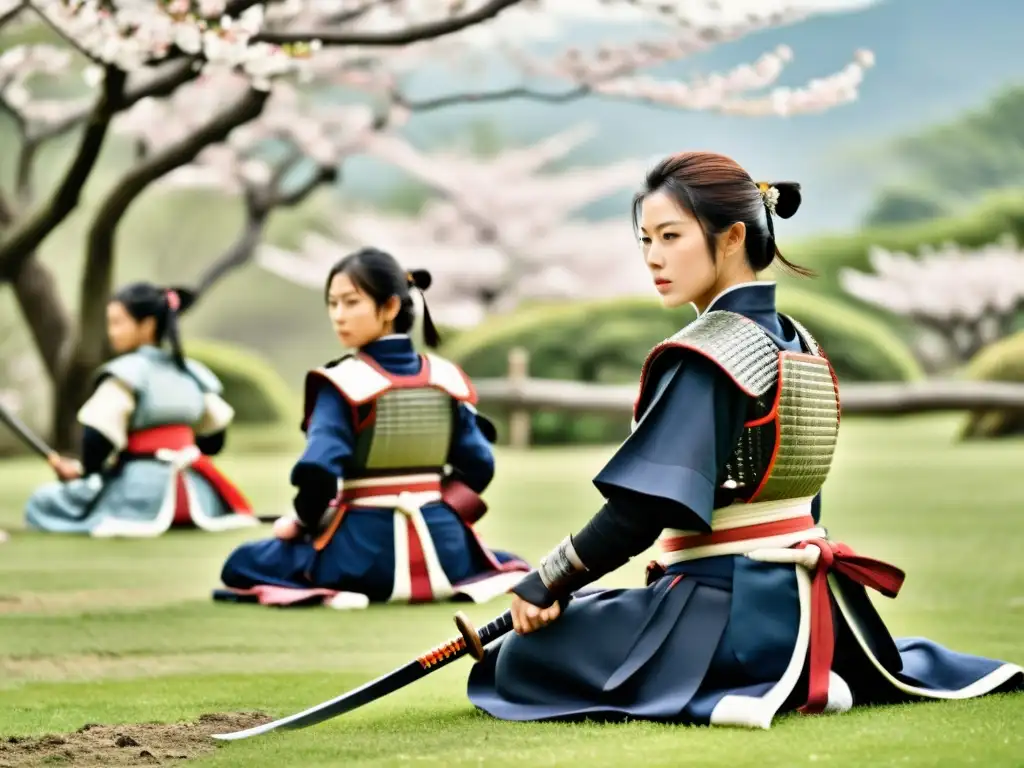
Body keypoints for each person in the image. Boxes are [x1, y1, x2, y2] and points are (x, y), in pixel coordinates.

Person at [466, 152, 1022, 727]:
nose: (653, 257)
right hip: (815, 602)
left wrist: (546, 581)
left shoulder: (708, 353)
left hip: (724, 610)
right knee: (582, 612)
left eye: (671, 236)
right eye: (646, 239)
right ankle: (810, 668)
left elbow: (640, 510)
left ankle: (753, 686)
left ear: (731, 237)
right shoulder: (799, 341)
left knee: (521, 658)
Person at [216, 247, 529, 609]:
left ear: (391, 307)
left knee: (243, 562)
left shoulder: (342, 383)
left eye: (351, 303)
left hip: (360, 556)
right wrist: (443, 509)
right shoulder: (446, 378)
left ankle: (337, 591)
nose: (338, 316)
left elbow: (318, 471)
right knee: (502, 557)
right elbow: (480, 466)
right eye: (333, 304)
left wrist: (301, 523)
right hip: (447, 552)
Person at [24, 282, 257, 537]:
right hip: (198, 495)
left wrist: (84, 473)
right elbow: (214, 441)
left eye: (117, 322)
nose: (111, 332)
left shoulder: (127, 374)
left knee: (43, 500)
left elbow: (96, 439)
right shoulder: (191, 373)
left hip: (139, 495)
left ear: (146, 325)